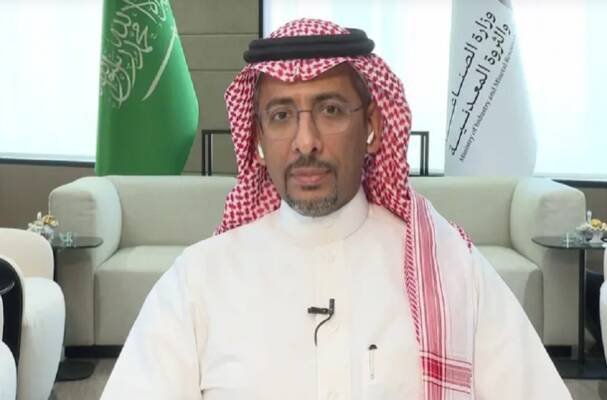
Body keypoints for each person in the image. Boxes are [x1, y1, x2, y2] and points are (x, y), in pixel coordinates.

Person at [101, 19, 571, 400]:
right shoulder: (198, 280)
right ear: (258, 137)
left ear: (372, 126)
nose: (306, 141)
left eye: (330, 110)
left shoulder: (449, 269)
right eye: (281, 116)